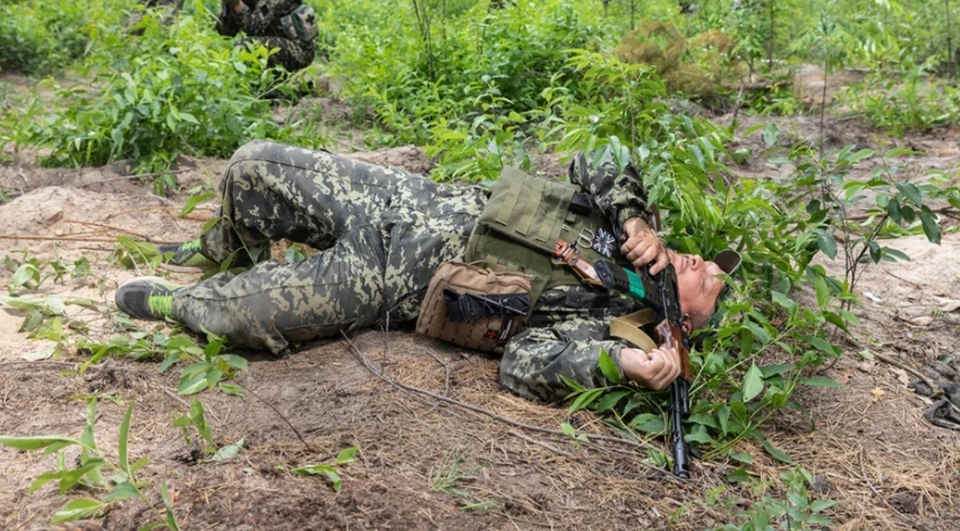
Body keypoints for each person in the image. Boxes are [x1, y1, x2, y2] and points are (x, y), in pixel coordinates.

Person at [115, 142, 740, 402]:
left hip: (383, 279)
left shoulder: (607, 326)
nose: (703, 263)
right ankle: (224, 246)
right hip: (402, 198)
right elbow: (600, 157)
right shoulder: (633, 234)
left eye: (708, 280)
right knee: (251, 165)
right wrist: (634, 218)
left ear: (681, 318)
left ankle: (181, 301)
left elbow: (522, 367)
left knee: (237, 317)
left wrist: (621, 364)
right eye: (711, 261)